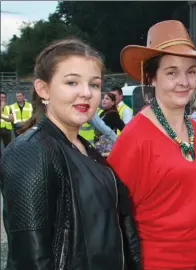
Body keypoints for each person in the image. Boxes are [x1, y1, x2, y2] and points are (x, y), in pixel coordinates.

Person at [0, 37, 141, 270]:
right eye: (72, 83)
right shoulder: (30, 152)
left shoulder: (87, 149)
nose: (86, 93)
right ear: (43, 89)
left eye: (94, 85)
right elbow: (29, 258)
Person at [107, 20, 196, 270]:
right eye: (172, 72)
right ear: (152, 77)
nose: (184, 81)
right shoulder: (134, 137)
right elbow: (112, 213)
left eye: (191, 71)